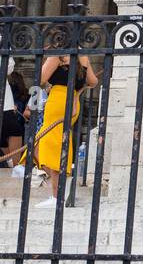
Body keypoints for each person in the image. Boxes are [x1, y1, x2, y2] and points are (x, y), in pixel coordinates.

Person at [20, 52, 98, 207]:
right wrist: (78, 87)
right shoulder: (83, 56)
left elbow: (40, 78)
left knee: (51, 147)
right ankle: (63, 185)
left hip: (57, 101)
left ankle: (57, 197)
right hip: (72, 101)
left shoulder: (58, 55)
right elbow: (93, 81)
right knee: (42, 146)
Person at [2, 70, 28, 171]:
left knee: (10, 160)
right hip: (14, 121)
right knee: (16, 165)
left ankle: (11, 163)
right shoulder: (28, 94)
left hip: (8, 117)